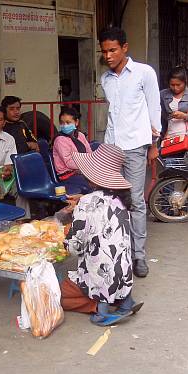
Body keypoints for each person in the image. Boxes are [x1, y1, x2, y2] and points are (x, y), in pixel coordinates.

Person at [99, 27, 162, 277]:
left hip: (136, 147)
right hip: (112, 148)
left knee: (135, 201)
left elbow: (154, 108)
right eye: (104, 51)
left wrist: (154, 145)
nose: (108, 55)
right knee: (113, 201)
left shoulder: (144, 73)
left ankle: (139, 256)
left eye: (113, 50)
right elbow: (113, 116)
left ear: (125, 48)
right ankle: (117, 251)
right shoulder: (105, 79)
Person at [62, 144, 143, 326]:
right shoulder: (121, 200)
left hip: (101, 276)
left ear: (92, 176)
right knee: (110, 264)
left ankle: (101, 310)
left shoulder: (86, 202)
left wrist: (65, 237)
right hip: (124, 275)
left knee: (61, 295)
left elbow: (75, 247)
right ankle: (125, 301)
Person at [52, 107, 92, 193]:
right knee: (92, 184)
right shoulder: (60, 140)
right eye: (62, 123)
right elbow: (69, 162)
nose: (65, 126)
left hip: (82, 171)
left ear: (76, 122)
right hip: (67, 176)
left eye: (68, 122)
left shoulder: (80, 135)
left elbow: (89, 153)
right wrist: (87, 165)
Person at [160, 66, 188, 140]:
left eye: (178, 85)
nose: (175, 88)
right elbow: (163, 117)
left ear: (185, 82)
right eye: (172, 85)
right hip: (170, 136)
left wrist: (184, 116)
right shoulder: (163, 94)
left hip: (185, 136)